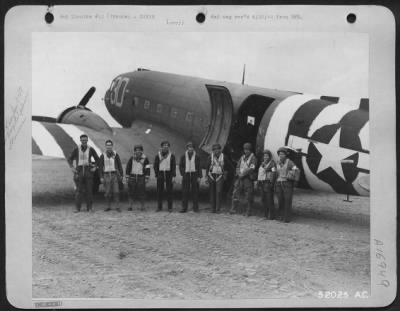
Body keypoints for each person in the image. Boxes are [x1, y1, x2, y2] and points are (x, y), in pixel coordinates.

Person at [67, 134, 99, 212]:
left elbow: (97, 159)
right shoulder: (76, 149)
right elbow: (70, 158)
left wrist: (95, 167)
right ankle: (77, 208)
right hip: (79, 170)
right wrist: (72, 167)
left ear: (87, 140)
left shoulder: (91, 149)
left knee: (89, 190)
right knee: (78, 191)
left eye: (85, 140)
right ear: (80, 140)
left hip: (88, 171)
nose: (84, 141)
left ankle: (90, 207)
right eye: (82, 140)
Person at [230, 142, 257, 216]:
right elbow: (238, 166)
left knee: (248, 195)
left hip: (248, 178)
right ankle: (233, 208)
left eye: (248, 149)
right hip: (240, 178)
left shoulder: (253, 158)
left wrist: (243, 174)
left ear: (250, 150)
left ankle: (248, 211)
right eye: (245, 149)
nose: (246, 151)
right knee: (235, 193)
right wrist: (239, 173)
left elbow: (252, 168)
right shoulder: (242, 157)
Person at [274, 147, 300, 223]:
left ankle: (287, 217)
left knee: (287, 200)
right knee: (280, 200)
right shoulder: (277, 162)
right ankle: (280, 216)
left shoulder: (290, 162)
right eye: (279, 154)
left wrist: (296, 181)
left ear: (285, 155)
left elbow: (297, 170)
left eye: (282, 154)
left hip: (287, 184)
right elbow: (274, 171)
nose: (281, 155)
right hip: (278, 183)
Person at [99, 140, 123, 212]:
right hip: (106, 175)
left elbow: (119, 165)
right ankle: (108, 206)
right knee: (107, 192)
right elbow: (100, 167)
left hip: (114, 174)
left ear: (112, 146)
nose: (109, 147)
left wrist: (121, 175)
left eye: (110, 145)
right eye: (107, 145)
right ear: (105, 146)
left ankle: (117, 207)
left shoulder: (115, 154)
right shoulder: (103, 155)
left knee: (116, 191)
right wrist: (101, 177)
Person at [125, 144, 150, 211]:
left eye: (139, 150)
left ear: (142, 151)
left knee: (142, 192)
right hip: (132, 176)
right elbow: (128, 167)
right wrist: (127, 176)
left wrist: (147, 177)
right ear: (134, 151)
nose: (138, 151)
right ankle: (130, 206)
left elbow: (147, 168)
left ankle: (142, 206)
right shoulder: (131, 158)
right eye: (136, 150)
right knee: (131, 192)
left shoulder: (145, 159)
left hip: (141, 177)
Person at [179, 142, 202, 213]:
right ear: (187, 148)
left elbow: (199, 167)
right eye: (189, 147)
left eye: (192, 147)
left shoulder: (197, 156)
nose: (190, 148)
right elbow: (181, 166)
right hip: (186, 174)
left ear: (193, 148)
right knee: (185, 192)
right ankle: (184, 207)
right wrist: (183, 174)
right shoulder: (183, 156)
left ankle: (196, 207)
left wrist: (199, 176)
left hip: (194, 174)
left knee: (195, 192)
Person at [153, 141, 176, 212]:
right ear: (161, 147)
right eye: (164, 145)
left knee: (169, 191)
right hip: (161, 173)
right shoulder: (158, 155)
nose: (166, 146)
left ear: (169, 147)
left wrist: (173, 176)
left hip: (169, 174)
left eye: (167, 145)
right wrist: (157, 174)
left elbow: (173, 166)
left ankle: (170, 207)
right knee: (159, 191)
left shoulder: (172, 155)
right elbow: (155, 165)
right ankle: (159, 207)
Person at [206, 143, 229, 213]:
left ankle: (218, 208)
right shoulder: (210, 157)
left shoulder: (224, 157)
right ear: (213, 151)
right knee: (212, 192)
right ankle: (212, 208)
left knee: (218, 191)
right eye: (215, 150)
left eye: (218, 149)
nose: (216, 151)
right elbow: (207, 167)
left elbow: (228, 166)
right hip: (211, 176)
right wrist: (207, 177)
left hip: (220, 176)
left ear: (220, 150)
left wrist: (225, 174)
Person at [257, 149, 277, 219]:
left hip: (268, 183)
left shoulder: (272, 163)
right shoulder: (262, 163)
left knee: (269, 199)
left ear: (269, 156)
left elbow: (274, 173)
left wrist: (272, 182)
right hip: (262, 182)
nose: (265, 157)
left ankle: (271, 215)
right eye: (264, 156)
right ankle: (265, 214)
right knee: (263, 199)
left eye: (267, 156)